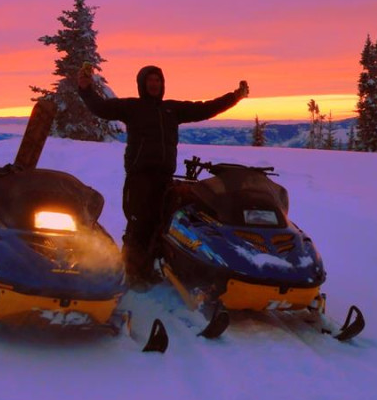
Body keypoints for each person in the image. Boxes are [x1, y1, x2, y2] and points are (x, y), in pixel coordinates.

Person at [77, 64, 249, 290]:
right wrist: (85, 89)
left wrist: (234, 97)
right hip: (140, 177)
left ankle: (150, 269)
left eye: (158, 80)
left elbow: (204, 109)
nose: (154, 84)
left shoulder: (171, 109)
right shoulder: (132, 107)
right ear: (142, 84)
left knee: (162, 224)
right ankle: (131, 273)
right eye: (150, 80)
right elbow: (100, 107)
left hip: (164, 178)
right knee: (139, 225)